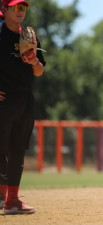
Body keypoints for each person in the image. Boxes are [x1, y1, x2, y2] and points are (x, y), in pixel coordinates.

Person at [0, 0, 46, 214]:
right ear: (4, 9)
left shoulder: (29, 35)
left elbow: (39, 72)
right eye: (15, 7)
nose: (20, 11)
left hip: (25, 99)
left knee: (18, 150)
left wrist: (33, 61)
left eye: (23, 8)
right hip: (3, 100)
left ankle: (12, 201)